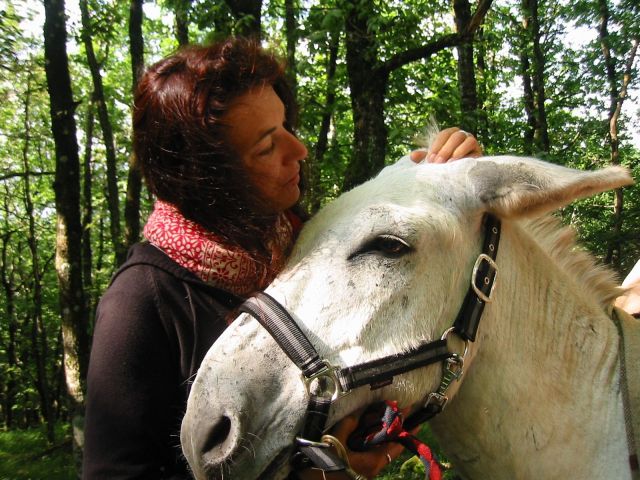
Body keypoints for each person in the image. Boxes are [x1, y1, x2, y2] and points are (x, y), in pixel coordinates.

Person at [82, 37, 483, 480]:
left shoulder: (297, 239)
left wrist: (451, 180)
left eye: (286, 125)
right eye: (266, 147)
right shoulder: (139, 302)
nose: (299, 150)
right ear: (208, 180)